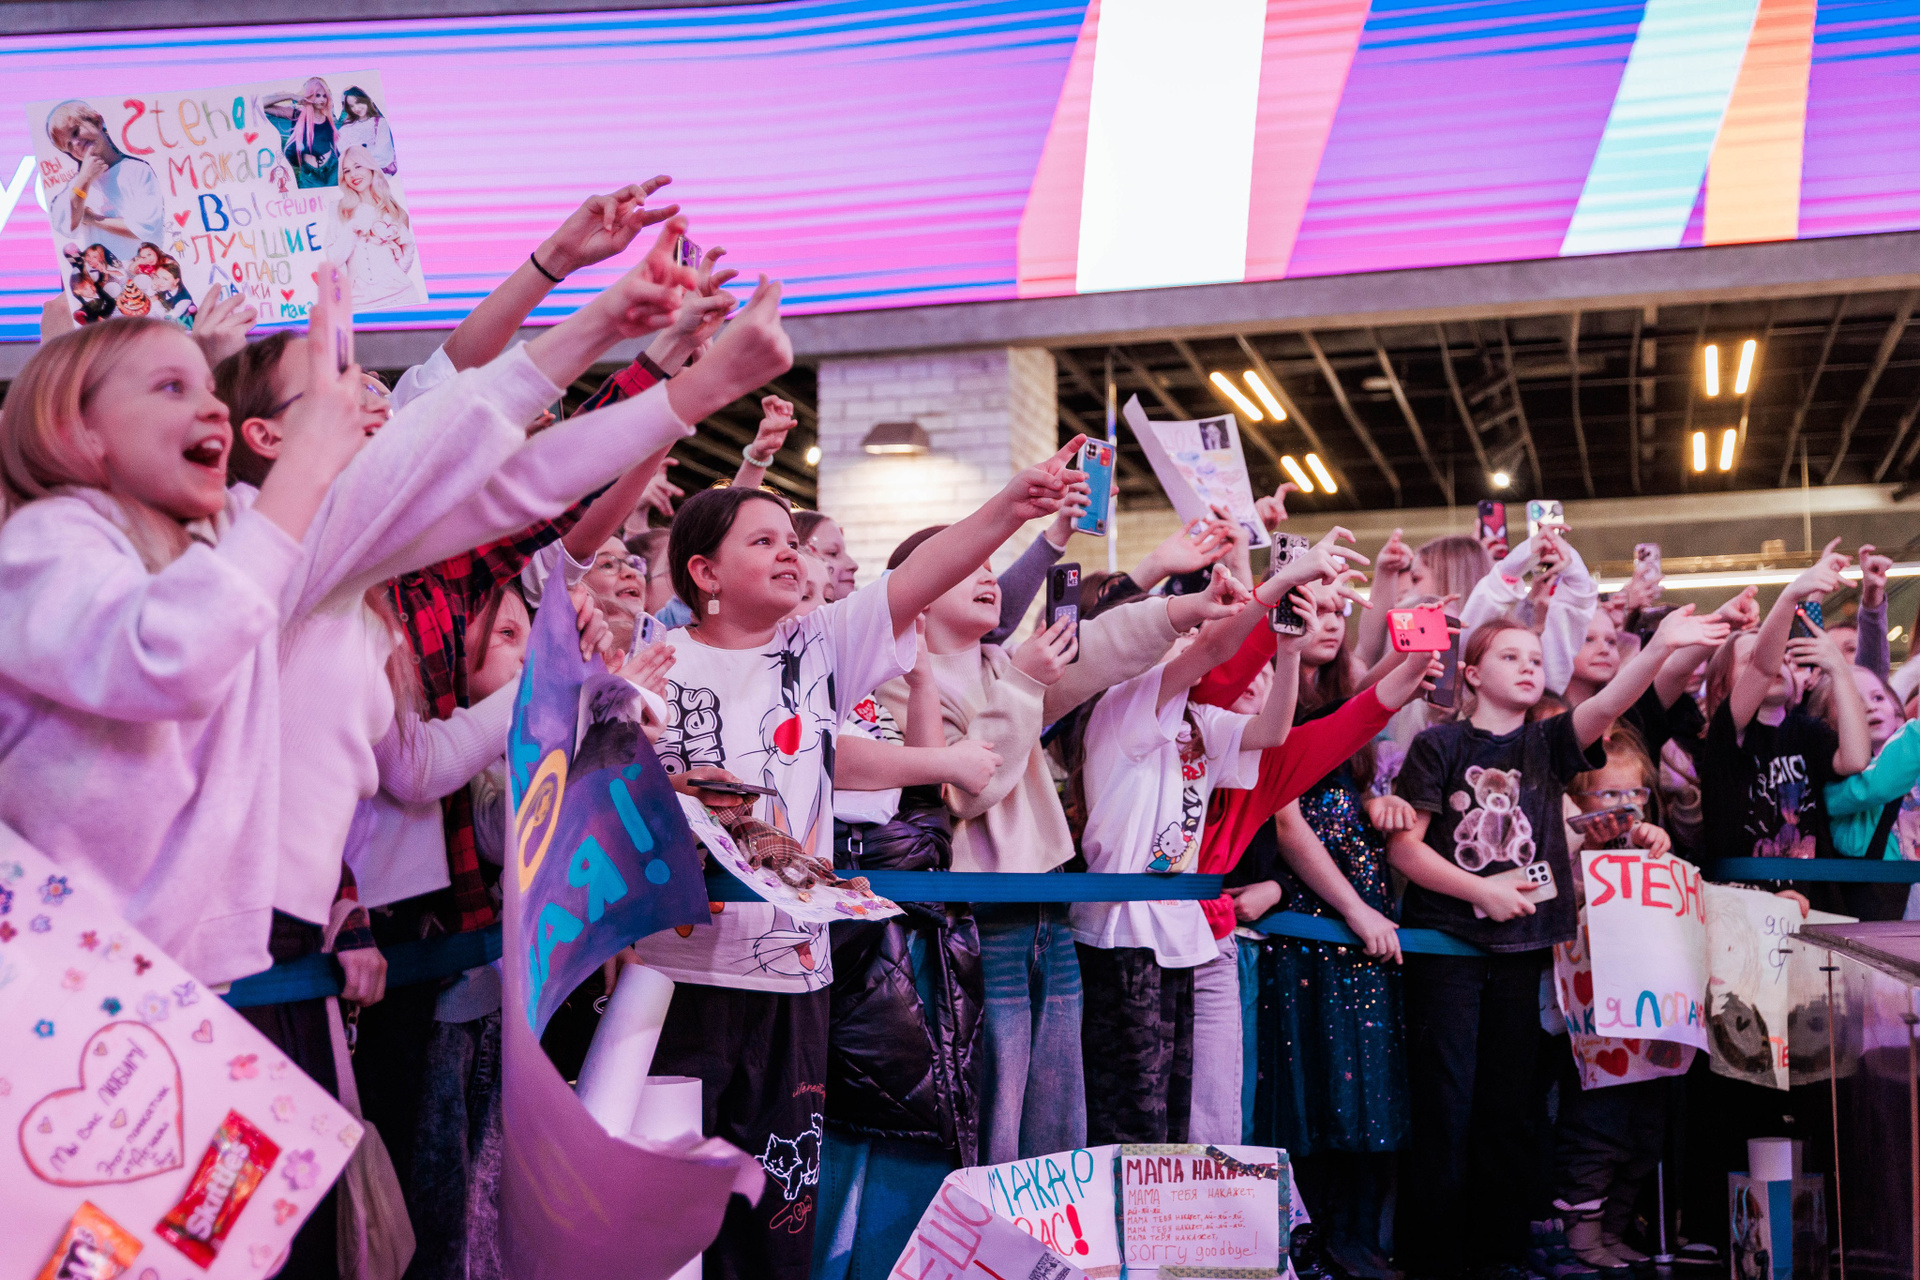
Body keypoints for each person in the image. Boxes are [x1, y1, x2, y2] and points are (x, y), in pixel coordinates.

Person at [633, 435, 1085, 1280]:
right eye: (762, 541)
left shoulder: (819, 644)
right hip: (674, 973)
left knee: (778, 1213)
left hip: (794, 972)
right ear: (703, 572)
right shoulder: (657, 663)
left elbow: (921, 574)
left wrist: (1012, 508)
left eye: (792, 541)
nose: (790, 555)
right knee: (669, 1216)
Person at [1387, 605, 1728, 1280]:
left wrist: (1659, 646)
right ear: (1472, 673)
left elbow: (1608, 703)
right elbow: (1405, 849)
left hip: (1521, 954)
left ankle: (1497, 1256)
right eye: (1509, 656)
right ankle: (1433, 1260)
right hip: (1448, 951)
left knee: (1508, 1111)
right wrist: (1480, 890)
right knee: (1446, 1105)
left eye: (1536, 658)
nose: (1528, 667)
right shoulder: (1439, 745)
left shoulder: (1547, 743)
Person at [44, 101, 166, 263]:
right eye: (69, 145)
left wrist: (92, 219)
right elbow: (68, 225)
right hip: (104, 276)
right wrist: (85, 179)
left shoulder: (137, 170)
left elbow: (145, 228)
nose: (76, 143)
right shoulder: (77, 185)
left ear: (97, 121)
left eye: (75, 132)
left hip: (145, 271)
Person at [325, 146, 418, 309]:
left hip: (402, 296)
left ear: (370, 167)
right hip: (359, 303)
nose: (353, 174)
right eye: (347, 171)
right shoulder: (338, 209)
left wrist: (395, 274)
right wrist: (352, 229)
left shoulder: (396, 212)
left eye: (358, 166)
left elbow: (404, 255)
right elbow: (333, 259)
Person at [260, 78, 340, 187]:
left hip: (332, 169)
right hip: (310, 174)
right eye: (317, 95)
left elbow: (335, 146)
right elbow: (261, 104)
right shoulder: (298, 115)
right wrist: (291, 96)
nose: (322, 99)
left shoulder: (328, 119)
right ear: (309, 96)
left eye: (324, 96)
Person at [335, 85, 398, 175]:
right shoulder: (345, 128)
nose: (356, 108)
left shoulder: (380, 123)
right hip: (356, 176)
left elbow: (383, 155)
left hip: (381, 175)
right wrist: (367, 149)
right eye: (351, 106)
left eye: (358, 102)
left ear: (367, 100)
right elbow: (344, 156)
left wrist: (357, 154)